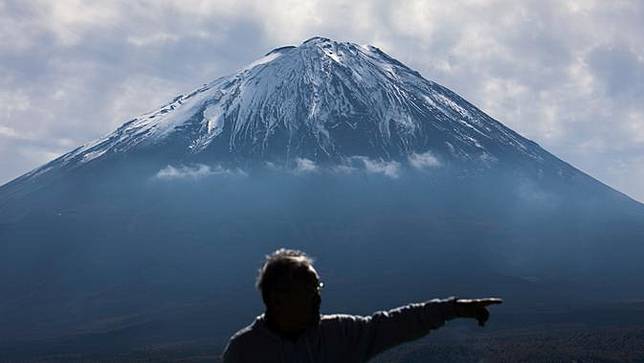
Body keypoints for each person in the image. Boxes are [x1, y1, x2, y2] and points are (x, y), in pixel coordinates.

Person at [222, 248, 502, 362]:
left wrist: (452, 309)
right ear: (277, 297)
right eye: (309, 289)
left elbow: (396, 323)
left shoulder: (340, 333)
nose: (318, 296)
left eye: (317, 288)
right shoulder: (245, 351)